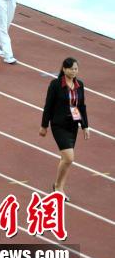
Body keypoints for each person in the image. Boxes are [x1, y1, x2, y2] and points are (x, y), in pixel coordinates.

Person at [40, 57, 89, 200]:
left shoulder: (80, 85)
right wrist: (44, 126)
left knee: (66, 160)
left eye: (76, 69)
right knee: (69, 157)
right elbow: (48, 106)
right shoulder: (55, 85)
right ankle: (57, 186)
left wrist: (85, 126)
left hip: (72, 125)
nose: (74, 72)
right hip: (59, 125)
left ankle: (59, 188)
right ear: (64, 69)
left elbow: (81, 107)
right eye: (71, 69)